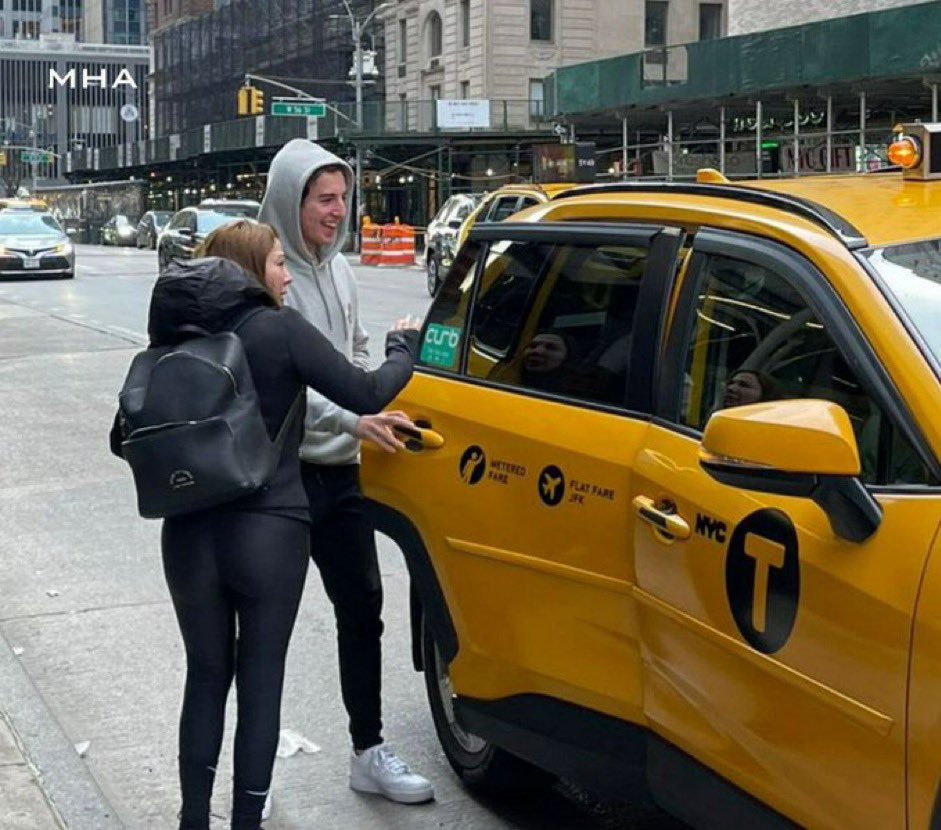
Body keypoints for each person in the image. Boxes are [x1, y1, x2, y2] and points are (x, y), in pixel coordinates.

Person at [110, 219, 419, 830]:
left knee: (205, 676)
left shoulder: (172, 344)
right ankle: (247, 820)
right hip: (270, 530)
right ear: (251, 269)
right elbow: (365, 391)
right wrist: (401, 348)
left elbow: (124, 439)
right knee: (260, 680)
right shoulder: (278, 331)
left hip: (189, 536)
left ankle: (193, 819)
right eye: (278, 263)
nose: (285, 275)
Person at [259, 139, 434, 804]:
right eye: (323, 199)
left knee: (363, 611)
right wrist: (353, 418)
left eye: (342, 198)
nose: (337, 212)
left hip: (340, 477)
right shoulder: (267, 277)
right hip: (281, 479)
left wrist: (359, 417)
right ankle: (258, 766)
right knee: (266, 625)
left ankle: (368, 751)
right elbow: (284, 388)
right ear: (289, 200)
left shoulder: (341, 272)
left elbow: (353, 358)